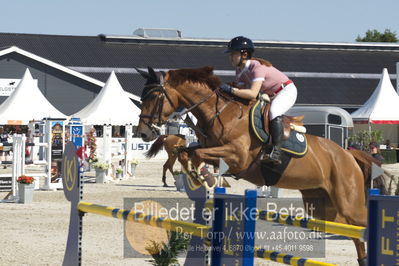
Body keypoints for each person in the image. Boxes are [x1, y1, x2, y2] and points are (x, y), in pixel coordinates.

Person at [220, 36, 298, 164]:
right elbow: (238, 90)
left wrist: (230, 90)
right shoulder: (239, 70)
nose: (230, 58)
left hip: (286, 91)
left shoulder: (257, 68)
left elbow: (251, 93)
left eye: (233, 54)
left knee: (274, 111)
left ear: (244, 54)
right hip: (271, 95)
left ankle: (276, 151)